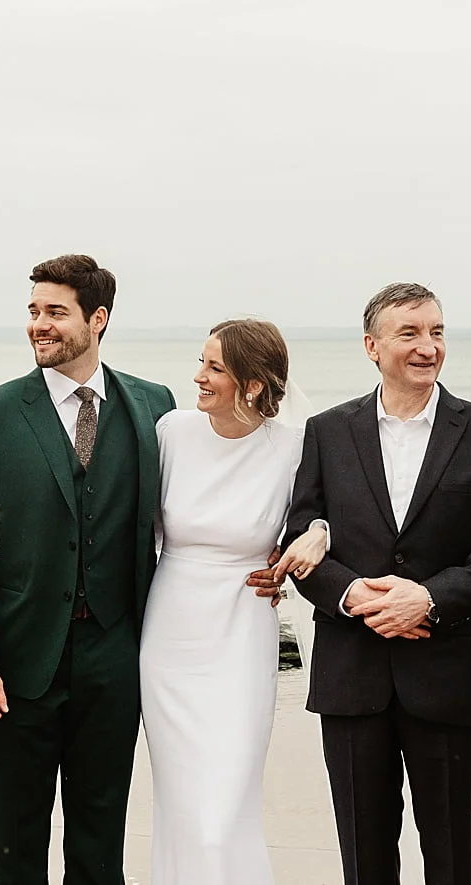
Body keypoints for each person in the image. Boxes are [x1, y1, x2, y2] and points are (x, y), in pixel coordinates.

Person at [280, 282, 471, 885]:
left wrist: (429, 597)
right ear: (372, 346)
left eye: (437, 331)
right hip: (351, 675)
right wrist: (352, 596)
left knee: (450, 855)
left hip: (447, 675)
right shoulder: (326, 431)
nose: (428, 347)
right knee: (365, 858)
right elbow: (301, 534)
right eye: (410, 333)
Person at [0, 254, 175, 885]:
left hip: (115, 652)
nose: (40, 324)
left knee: (102, 833)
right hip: (17, 658)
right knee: (18, 833)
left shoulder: (155, 405)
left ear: (97, 319)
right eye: (34, 312)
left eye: (55, 312)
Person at [141, 319, 329, 885]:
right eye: (201, 361)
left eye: (213, 367)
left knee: (225, 802)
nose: (197, 377)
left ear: (251, 384)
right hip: (170, 632)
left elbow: (331, 511)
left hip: (243, 630)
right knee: (180, 803)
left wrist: (317, 531)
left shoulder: (296, 446)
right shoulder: (172, 430)